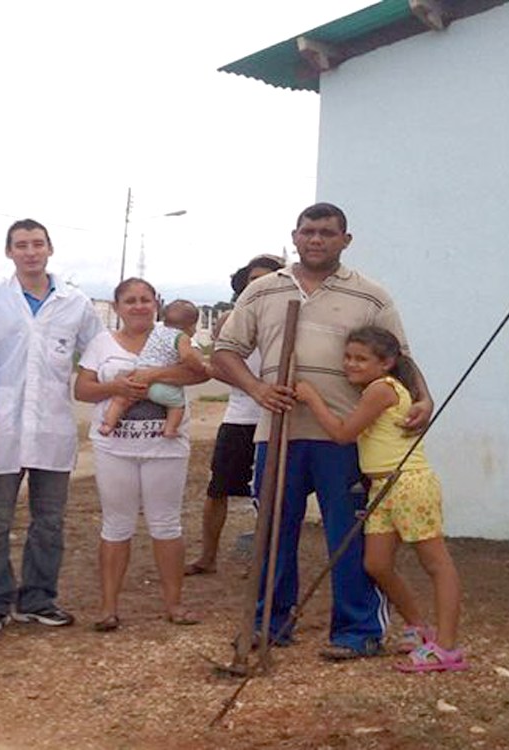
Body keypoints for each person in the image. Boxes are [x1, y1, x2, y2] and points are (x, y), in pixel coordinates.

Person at [212, 203, 433, 661]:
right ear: (295, 236)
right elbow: (226, 351)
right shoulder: (262, 290)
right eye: (308, 231)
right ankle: (269, 624)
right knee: (274, 531)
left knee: (349, 537)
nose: (316, 239)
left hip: (346, 436)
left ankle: (357, 630)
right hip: (278, 433)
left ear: (345, 240)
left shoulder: (370, 295)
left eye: (327, 233)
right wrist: (257, 388)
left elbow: (402, 358)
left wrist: (424, 399)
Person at [0, 218, 104, 635]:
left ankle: (38, 599)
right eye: (21, 245)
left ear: (50, 249)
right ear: (9, 251)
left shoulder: (76, 303)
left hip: (52, 429)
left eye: (37, 244)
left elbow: (102, 354)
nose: (30, 252)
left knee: (49, 523)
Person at [295, 326, 467, 672]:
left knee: (436, 563)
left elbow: (343, 434)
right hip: (382, 488)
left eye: (361, 359)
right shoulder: (378, 389)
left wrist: (312, 398)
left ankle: (447, 647)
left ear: (386, 363)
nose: (351, 364)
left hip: (408, 484)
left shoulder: (382, 389)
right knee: (376, 564)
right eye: (347, 357)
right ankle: (418, 625)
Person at [74, 277, 209, 631]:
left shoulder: (172, 337)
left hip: (165, 447)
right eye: (130, 300)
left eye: (145, 300)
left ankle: (174, 604)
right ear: (117, 307)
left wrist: (152, 374)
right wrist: (116, 386)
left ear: (156, 303)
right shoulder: (101, 344)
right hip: (114, 448)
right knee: (116, 524)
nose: (138, 306)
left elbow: (200, 372)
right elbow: (83, 390)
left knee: (166, 523)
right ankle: (108, 608)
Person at [185, 253, 284, 576]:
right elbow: (218, 365)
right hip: (240, 416)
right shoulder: (230, 320)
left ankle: (265, 562)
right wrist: (253, 387)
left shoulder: (288, 320)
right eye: (254, 280)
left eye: (268, 279)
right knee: (218, 489)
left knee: (270, 494)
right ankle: (208, 556)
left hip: (277, 418)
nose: (260, 285)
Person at [98, 298, 202, 439]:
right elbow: (187, 357)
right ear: (191, 326)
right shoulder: (182, 337)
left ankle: (107, 425)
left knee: (120, 400)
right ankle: (170, 429)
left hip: (138, 376)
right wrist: (199, 367)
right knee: (177, 404)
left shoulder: (157, 331)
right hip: (160, 385)